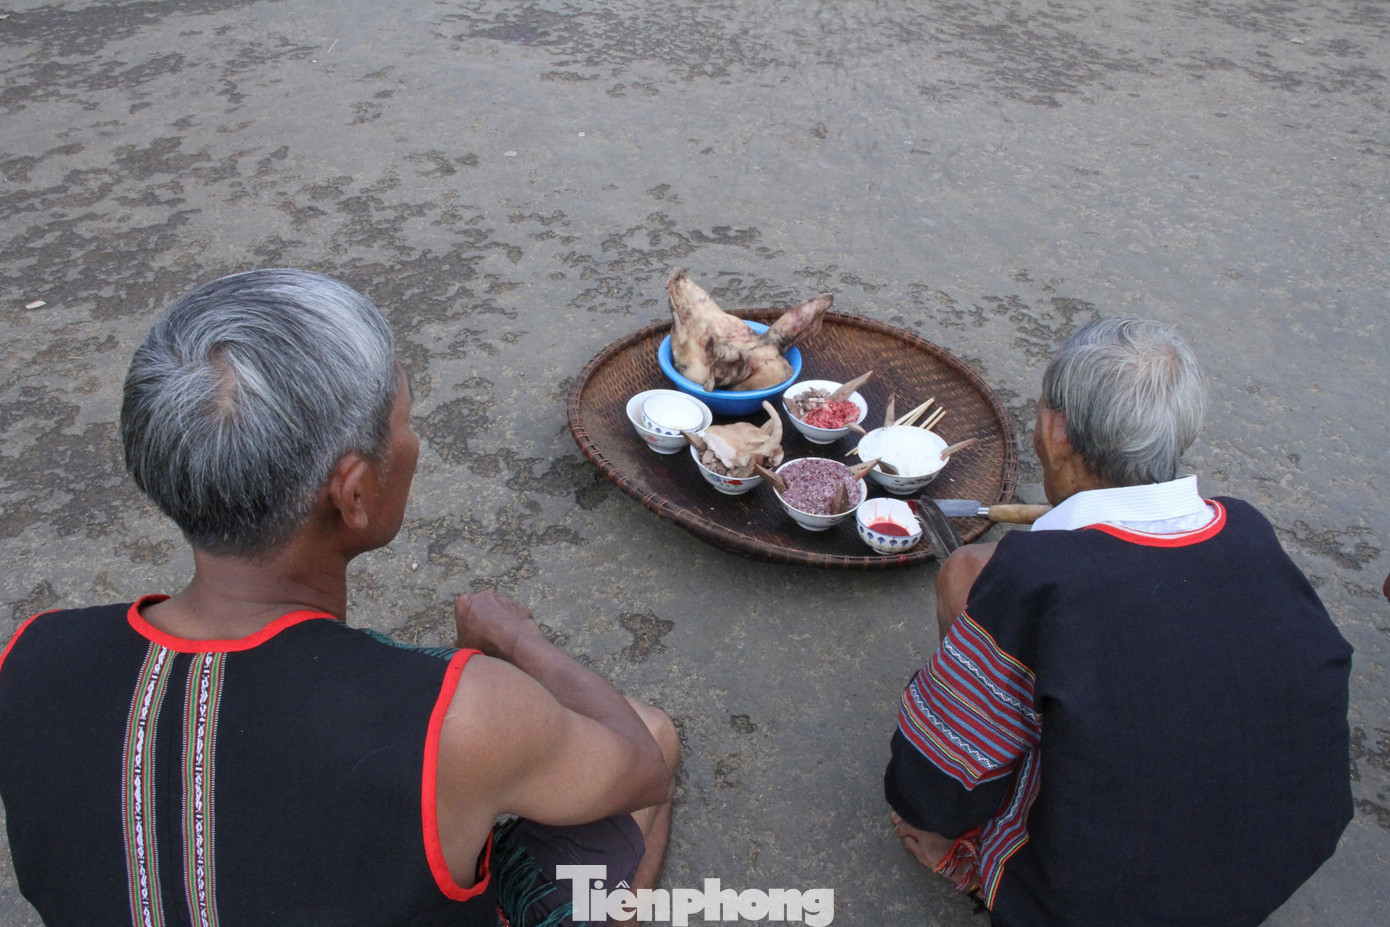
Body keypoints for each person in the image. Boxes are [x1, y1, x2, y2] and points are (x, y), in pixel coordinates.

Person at [0, 269, 678, 927]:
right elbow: (639, 768)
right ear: (353, 494)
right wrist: (520, 644)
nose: (411, 442)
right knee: (649, 731)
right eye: (404, 420)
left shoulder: (30, 658)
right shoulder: (466, 715)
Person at [884, 318, 1353, 926]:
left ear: (1054, 431)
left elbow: (928, 784)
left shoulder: (1038, 579)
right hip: (1281, 860)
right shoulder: (1248, 528)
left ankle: (977, 855)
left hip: (1097, 904)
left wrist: (935, 809)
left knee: (957, 762)